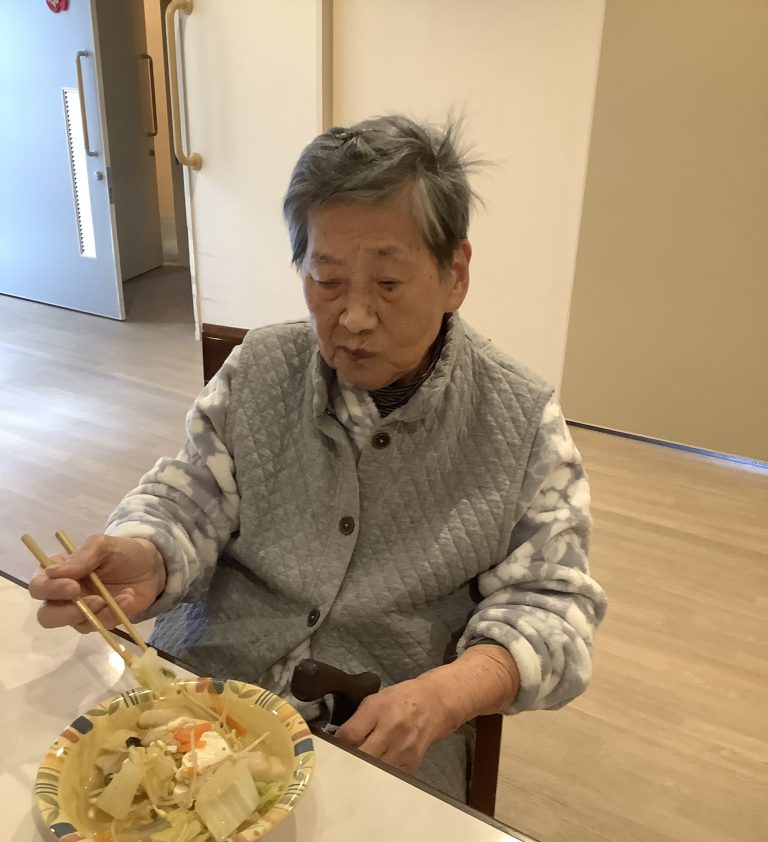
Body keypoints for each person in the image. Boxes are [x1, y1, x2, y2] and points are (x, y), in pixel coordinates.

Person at [30, 115, 606, 801]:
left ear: (455, 274)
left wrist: (447, 694)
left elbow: (555, 611)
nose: (354, 317)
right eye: (327, 281)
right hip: (201, 707)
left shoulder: (521, 420)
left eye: (387, 284)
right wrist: (146, 554)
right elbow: (189, 497)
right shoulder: (260, 367)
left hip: (377, 744)